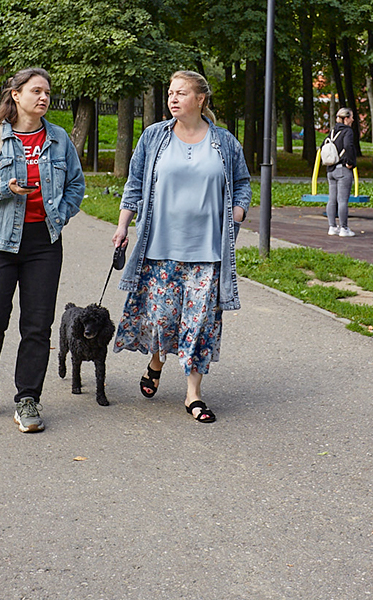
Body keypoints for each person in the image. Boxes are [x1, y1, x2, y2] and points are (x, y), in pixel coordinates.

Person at [111, 70, 251, 424]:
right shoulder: (154, 138)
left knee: (200, 324)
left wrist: (237, 212)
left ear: (200, 99)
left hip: (207, 251)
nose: (173, 99)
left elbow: (242, 183)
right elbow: (134, 184)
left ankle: (193, 394)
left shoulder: (224, 142)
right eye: (171, 93)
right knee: (163, 318)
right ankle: (156, 361)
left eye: (181, 93)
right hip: (160, 249)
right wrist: (123, 226)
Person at [0, 67, 85, 433]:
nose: (44, 97)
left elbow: (76, 185)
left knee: (38, 325)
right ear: (15, 95)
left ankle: (28, 398)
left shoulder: (59, 139)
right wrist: (5, 189)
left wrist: (59, 216)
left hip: (43, 244)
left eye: (47, 92)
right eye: (36, 91)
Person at [326, 108, 358, 237]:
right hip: (343, 169)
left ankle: (332, 226)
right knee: (343, 200)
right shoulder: (348, 131)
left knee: (332, 199)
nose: (353, 120)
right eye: (351, 117)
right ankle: (344, 228)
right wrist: (351, 162)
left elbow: (324, 145)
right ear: (346, 118)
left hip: (331, 169)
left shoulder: (333, 132)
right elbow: (348, 146)